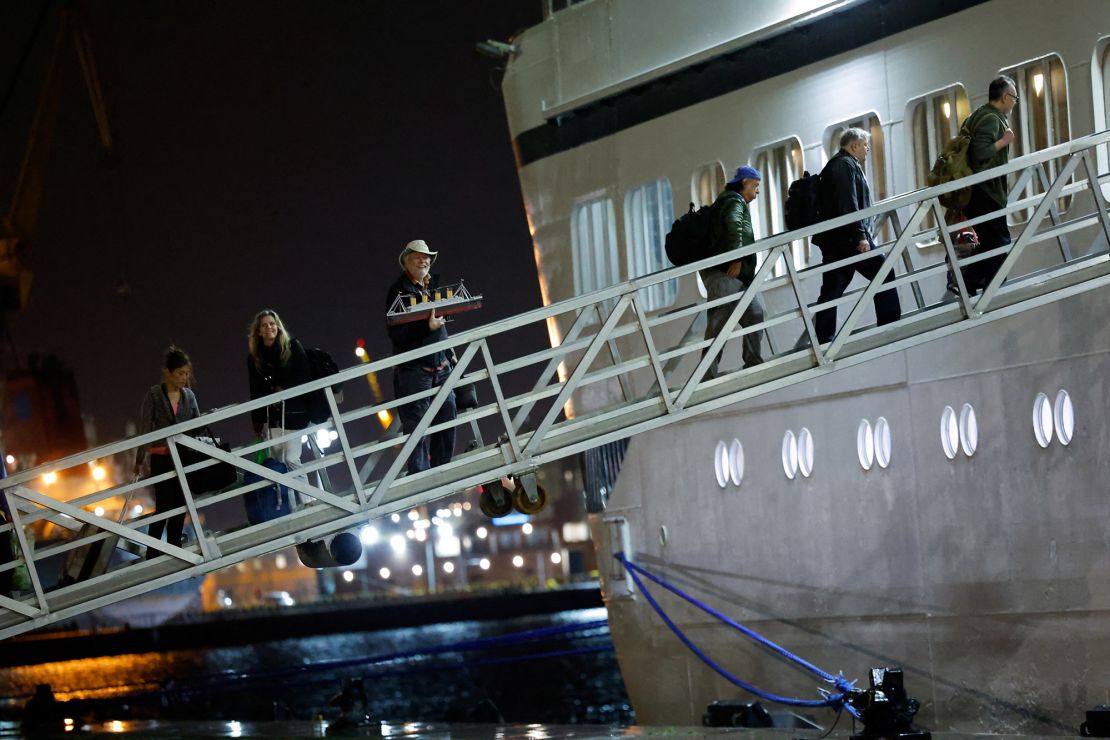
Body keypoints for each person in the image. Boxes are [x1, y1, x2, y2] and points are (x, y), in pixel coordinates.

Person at [811, 127, 902, 344]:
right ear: (854, 146)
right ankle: (890, 324)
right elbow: (847, 203)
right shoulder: (844, 165)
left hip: (838, 240)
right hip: (849, 239)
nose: (867, 148)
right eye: (864, 144)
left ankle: (823, 337)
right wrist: (861, 236)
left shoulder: (841, 164)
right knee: (883, 273)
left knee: (832, 289)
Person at [385, 239, 457, 475]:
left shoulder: (430, 287)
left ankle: (440, 470)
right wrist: (429, 327)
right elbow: (397, 334)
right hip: (414, 372)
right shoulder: (397, 292)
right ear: (406, 261)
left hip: (441, 366)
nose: (424, 260)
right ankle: (421, 477)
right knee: (416, 428)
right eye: (418, 256)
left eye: (427, 257)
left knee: (448, 417)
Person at [954, 74, 1018, 295]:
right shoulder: (991, 119)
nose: (1015, 102)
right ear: (1003, 96)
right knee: (999, 240)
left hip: (974, 192)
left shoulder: (975, 117)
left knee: (989, 241)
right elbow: (981, 153)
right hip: (986, 191)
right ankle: (976, 282)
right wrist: (1004, 141)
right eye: (1014, 98)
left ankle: (981, 282)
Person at [134, 346, 200, 555]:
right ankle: (153, 550)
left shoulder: (189, 396)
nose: (184, 377)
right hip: (161, 457)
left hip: (183, 456)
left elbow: (198, 424)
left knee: (181, 503)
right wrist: (139, 459)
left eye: (186, 373)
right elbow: (145, 427)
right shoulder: (154, 394)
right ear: (168, 373)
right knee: (164, 504)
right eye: (180, 373)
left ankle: (174, 545)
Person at [700, 165, 765, 377]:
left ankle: (753, 360)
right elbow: (733, 225)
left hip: (735, 278)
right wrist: (737, 259)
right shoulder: (733, 202)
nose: (757, 191)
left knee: (754, 313)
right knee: (719, 324)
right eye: (755, 186)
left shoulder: (730, 201)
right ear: (744, 182)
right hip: (726, 274)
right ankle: (707, 374)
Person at [246, 310, 312, 472]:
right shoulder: (254, 358)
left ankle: (307, 498)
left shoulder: (292, 347)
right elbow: (255, 389)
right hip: (273, 416)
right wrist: (257, 423)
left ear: (278, 327)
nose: (269, 327)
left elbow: (304, 376)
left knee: (291, 459)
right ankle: (292, 498)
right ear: (259, 332)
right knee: (279, 465)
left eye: (272, 323)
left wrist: (282, 390)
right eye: (264, 325)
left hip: (295, 412)